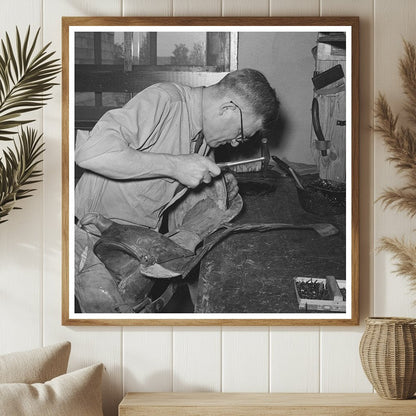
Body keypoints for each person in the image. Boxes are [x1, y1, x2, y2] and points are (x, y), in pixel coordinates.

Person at [74, 68, 279, 313]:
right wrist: (174, 165)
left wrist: (219, 187)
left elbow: (174, 200)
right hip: (94, 242)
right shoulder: (164, 101)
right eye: (241, 134)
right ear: (228, 109)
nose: (236, 142)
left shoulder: (203, 141)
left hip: (137, 247)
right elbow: (91, 154)